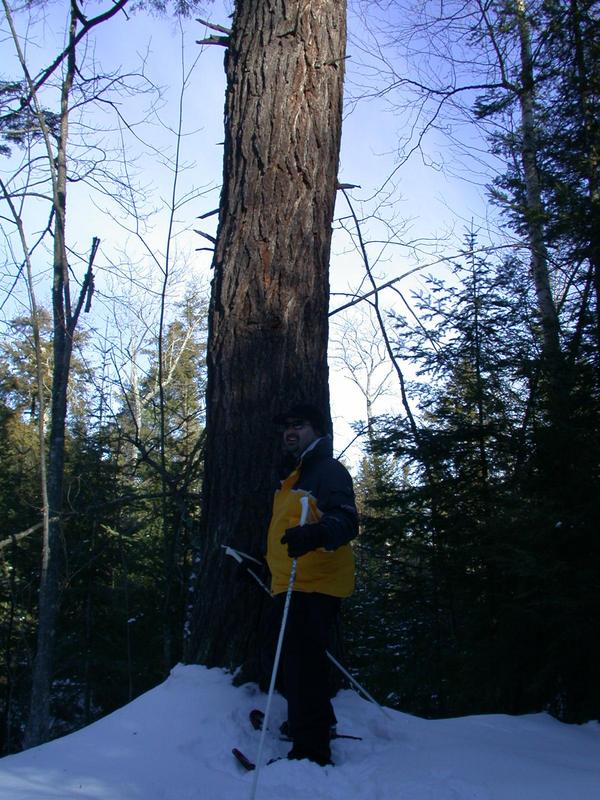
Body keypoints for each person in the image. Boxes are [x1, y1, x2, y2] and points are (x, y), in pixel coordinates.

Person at [266, 402, 358, 766]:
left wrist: (317, 534)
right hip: (291, 582)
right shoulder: (295, 475)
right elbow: (287, 535)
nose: (290, 431)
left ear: (317, 431)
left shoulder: (327, 471)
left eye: (298, 424)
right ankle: (313, 724)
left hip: (315, 584)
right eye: (286, 425)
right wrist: (260, 566)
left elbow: (347, 522)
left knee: (303, 666)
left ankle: (311, 751)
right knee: (296, 663)